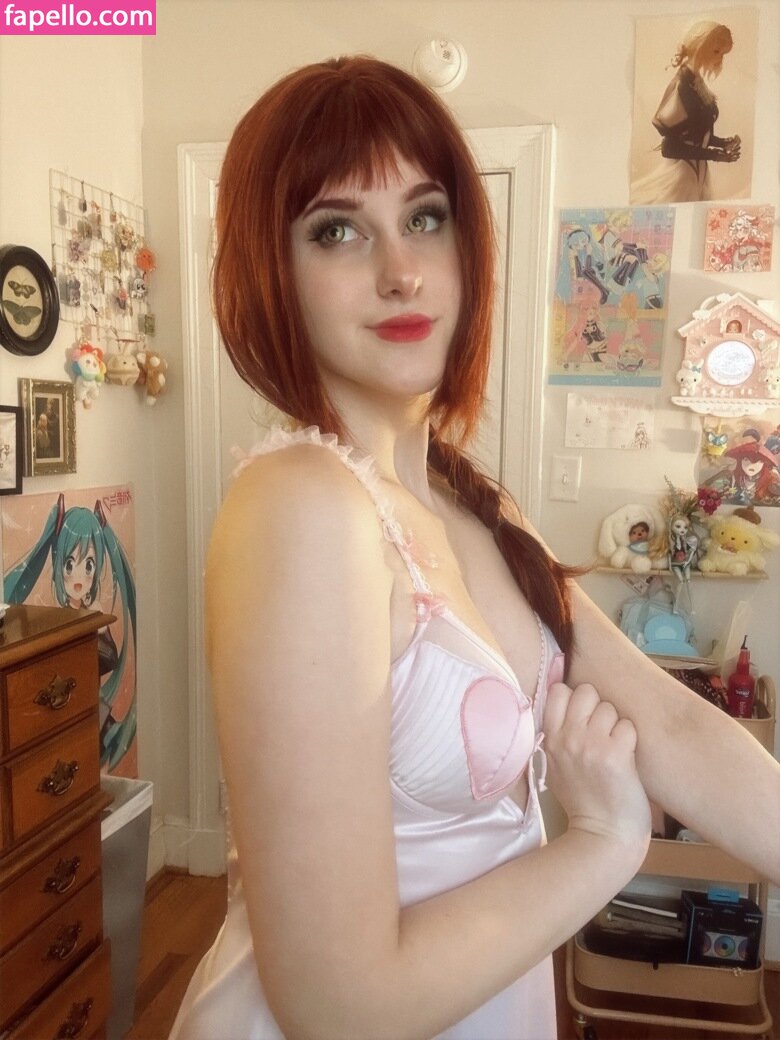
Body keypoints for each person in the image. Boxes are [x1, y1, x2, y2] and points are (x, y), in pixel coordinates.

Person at [170, 57, 780, 1040]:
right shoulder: (302, 506)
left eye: (424, 216)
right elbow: (340, 1004)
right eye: (336, 230)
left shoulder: (472, 500)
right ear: (268, 271)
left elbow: (667, 720)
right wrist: (604, 841)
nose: (401, 270)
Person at [3, 494, 137, 770]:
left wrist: (97, 633)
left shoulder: (95, 611)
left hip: (88, 702)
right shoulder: (56, 618)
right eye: (69, 564)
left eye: (88, 566)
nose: (78, 579)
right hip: (67, 706)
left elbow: (109, 659)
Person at [632, 21, 741, 204]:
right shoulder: (682, 85)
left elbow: (696, 134)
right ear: (700, 47)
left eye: (723, 54)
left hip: (697, 175)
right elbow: (670, 147)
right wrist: (716, 155)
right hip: (681, 177)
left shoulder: (696, 82)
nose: (719, 59)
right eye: (716, 51)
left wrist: (724, 143)